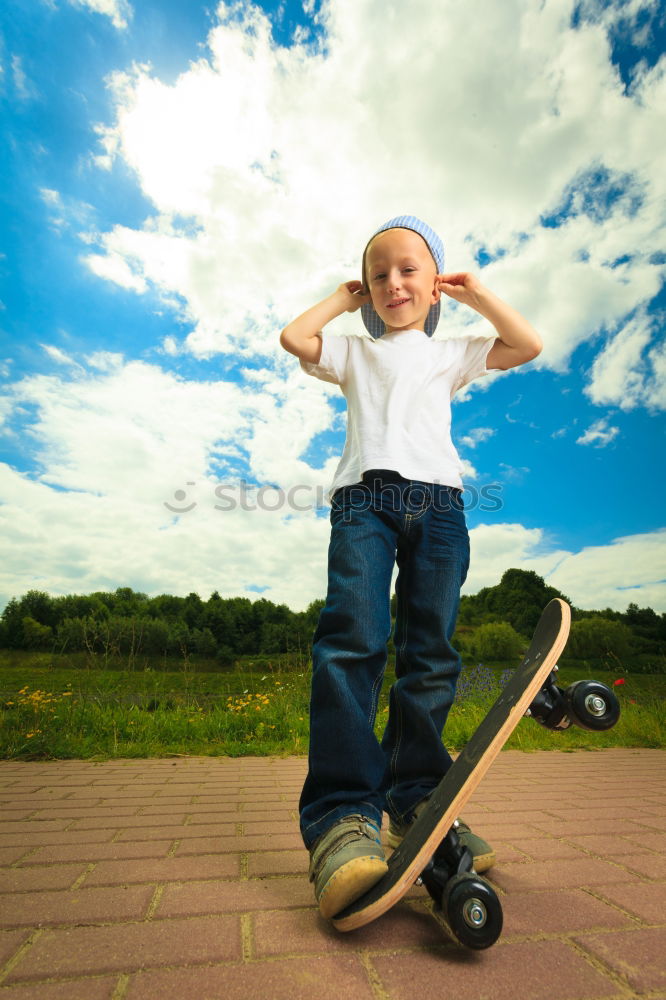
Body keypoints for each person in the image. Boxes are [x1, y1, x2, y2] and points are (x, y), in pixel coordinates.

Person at [279, 215, 542, 919]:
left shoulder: (450, 353)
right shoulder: (352, 351)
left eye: (408, 270)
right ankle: (341, 817)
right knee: (353, 642)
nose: (392, 282)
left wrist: (475, 293)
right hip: (365, 501)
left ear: (434, 288)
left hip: (442, 506)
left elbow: (527, 343)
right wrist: (341, 299)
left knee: (431, 653)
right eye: (378, 275)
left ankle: (420, 795)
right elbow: (294, 339)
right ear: (366, 292)